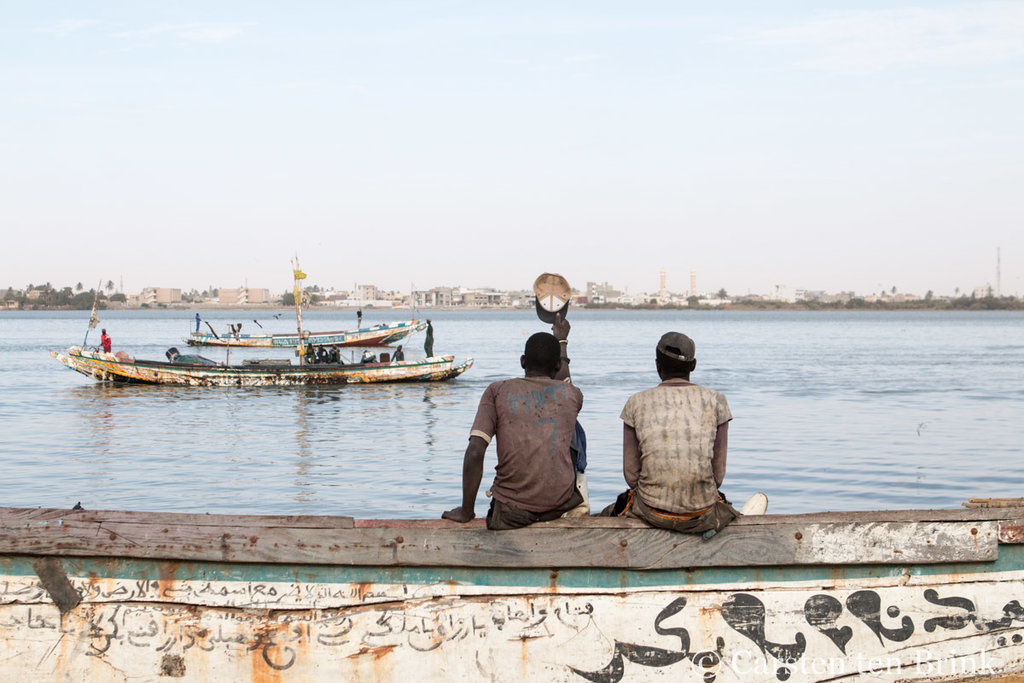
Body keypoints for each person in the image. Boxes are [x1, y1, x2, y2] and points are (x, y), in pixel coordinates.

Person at [442, 317, 584, 530]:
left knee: (574, 431)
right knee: (574, 432)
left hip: (512, 511)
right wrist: (562, 341)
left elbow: (475, 451)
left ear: (523, 361)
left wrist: (466, 510)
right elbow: (562, 382)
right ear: (557, 364)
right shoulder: (573, 395)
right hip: (560, 504)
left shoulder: (497, 391)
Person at [604, 332, 740, 534]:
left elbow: (631, 475)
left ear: (657, 365)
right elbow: (718, 476)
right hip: (701, 512)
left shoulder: (636, 402)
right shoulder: (716, 400)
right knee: (727, 509)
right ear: (693, 366)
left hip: (652, 511)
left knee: (609, 512)